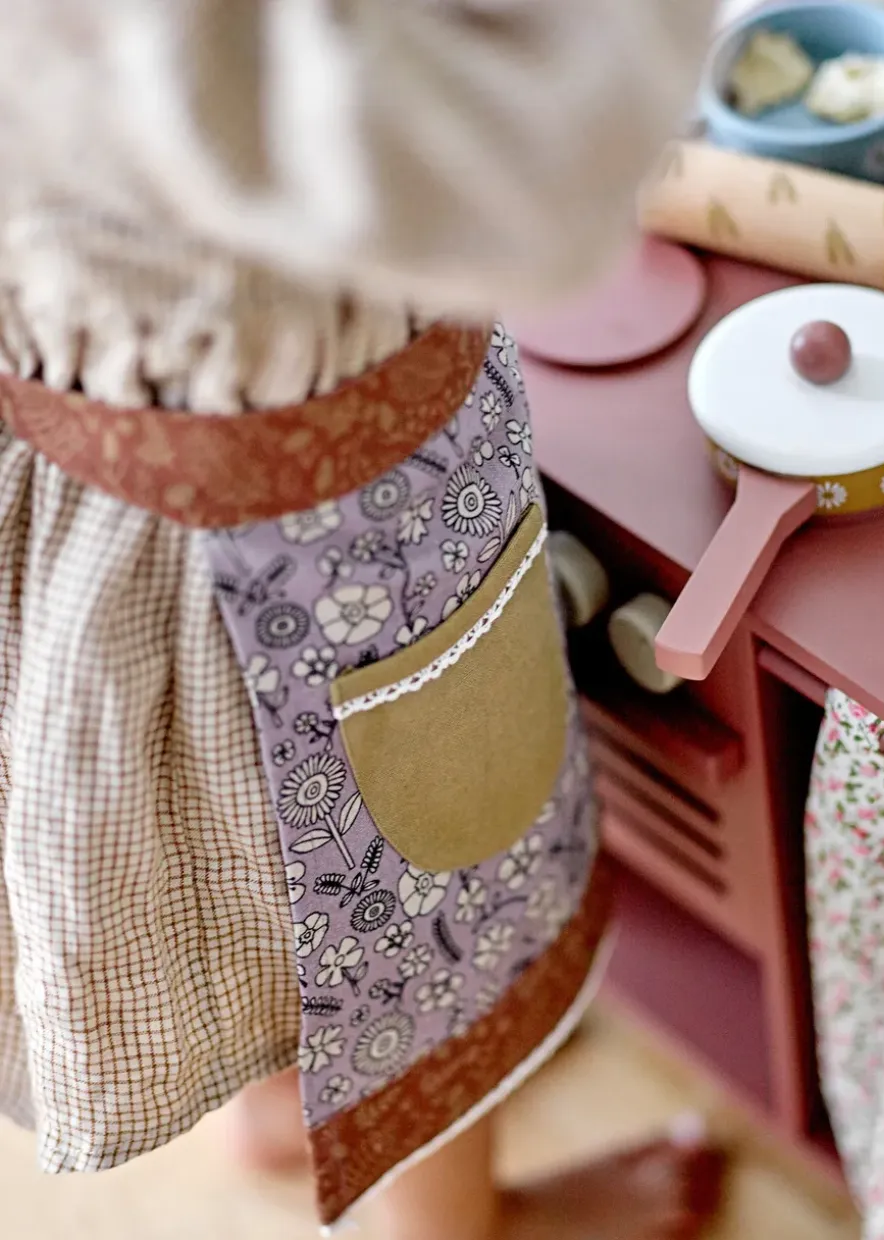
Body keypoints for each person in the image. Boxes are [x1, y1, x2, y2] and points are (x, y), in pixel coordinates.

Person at [0, 3, 722, 1237]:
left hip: (78, 492)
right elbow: (532, 197)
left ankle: (286, 1104)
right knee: (418, 939)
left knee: (245, 869)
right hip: (323, 546)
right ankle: (456, 1224)